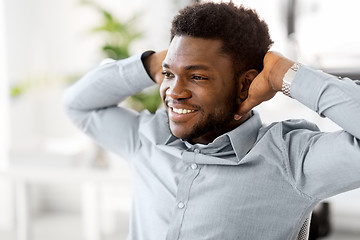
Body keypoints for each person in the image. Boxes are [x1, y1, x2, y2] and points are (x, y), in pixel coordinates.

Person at [63, 2, 360, 240]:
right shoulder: (147, 138)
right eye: (169, 75)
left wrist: (283, 74)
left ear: (245, 85)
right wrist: (154, 63)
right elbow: (79, 105)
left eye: (197, 76)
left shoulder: (292, 160)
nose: (174, 92)